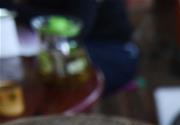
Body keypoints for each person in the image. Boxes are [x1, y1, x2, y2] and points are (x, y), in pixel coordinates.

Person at [3, 0, 138, 94]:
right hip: (47, 45)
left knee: (45, 83)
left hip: (110, 49)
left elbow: (77, 25)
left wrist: (14, 11)